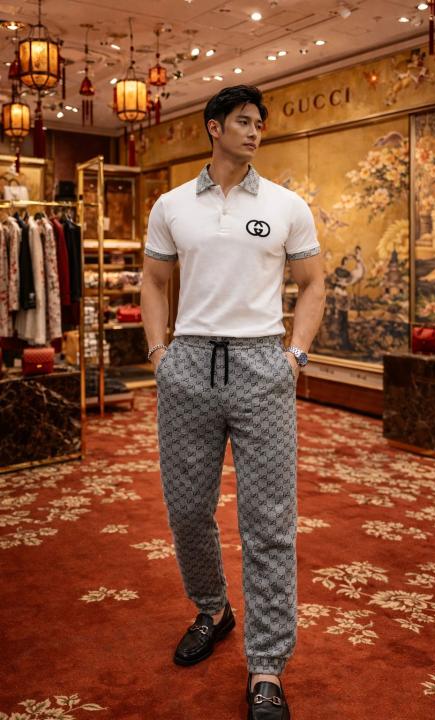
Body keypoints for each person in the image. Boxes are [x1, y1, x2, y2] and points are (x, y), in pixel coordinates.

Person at [141, 84, 325, 720]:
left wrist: (294, 357)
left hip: (260, 366)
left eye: (260, 123)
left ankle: (267, 666)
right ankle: (213, 608)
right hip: (189, 366)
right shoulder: (171, 205)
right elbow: (154, 280)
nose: (254, 131)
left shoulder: (285, 205)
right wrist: (159, 354)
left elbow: (313, 284)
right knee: (187, 509)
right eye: (243, 121)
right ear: (214, 127)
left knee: (268, 521)